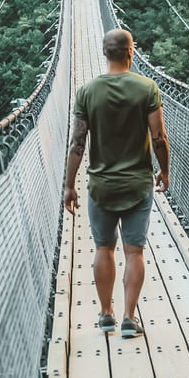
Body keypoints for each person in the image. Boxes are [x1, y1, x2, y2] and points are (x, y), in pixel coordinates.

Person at [64, 26, 171, 336]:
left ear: (103, 52)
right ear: (131, 52)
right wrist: (164, 171)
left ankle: (106, 313)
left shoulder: (86, 92)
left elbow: (77, 143)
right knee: (134, 252)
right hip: (138, 184)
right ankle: (128, 317)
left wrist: (69, 185)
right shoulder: (147, 88)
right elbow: (159, 137)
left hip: (100, 185)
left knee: (103, 248)